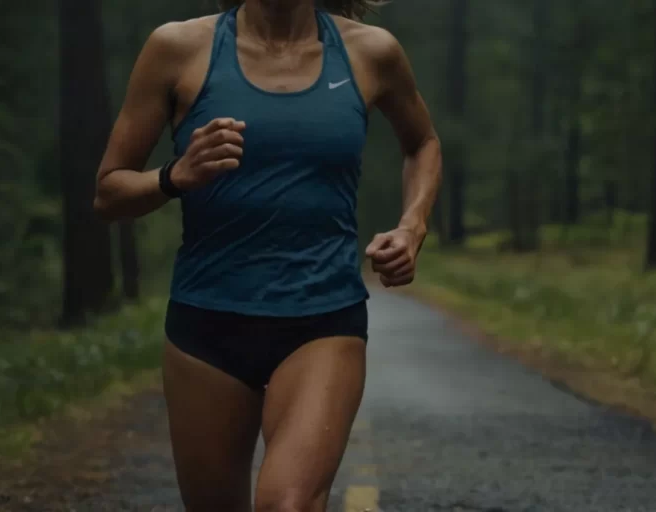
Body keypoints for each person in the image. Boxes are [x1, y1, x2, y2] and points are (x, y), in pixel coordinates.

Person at [92, 0, 441, 509]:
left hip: (322, 319)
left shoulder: (370, 51)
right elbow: (108, 192)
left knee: (289, 503)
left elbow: (423, 142)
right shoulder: (178, 49)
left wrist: (413, 226)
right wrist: (174, 175)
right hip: (207, 325)